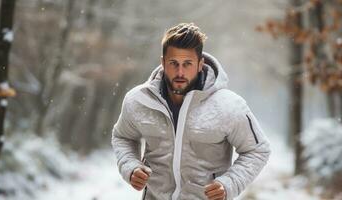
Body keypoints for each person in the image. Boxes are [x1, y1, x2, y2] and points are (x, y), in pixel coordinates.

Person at [111, 22, 271, 200]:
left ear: (200, 64)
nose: (180, 72)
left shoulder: (229, 105)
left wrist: (230, 184)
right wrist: (130, 166)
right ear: (163, 62)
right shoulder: (139, 100)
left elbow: (258, 150)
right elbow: (123, 136)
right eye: (173, 63)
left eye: (187, 63)